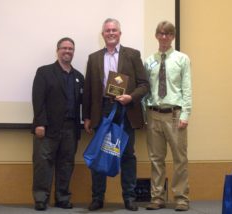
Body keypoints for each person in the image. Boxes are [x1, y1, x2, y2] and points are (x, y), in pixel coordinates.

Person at [82, 18, 149, 211]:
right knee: (99, 154)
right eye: (107, 30)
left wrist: (131, 97)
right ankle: (97, 198)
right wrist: (86, 116)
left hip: (126, 111)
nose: (111, 33)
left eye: (114, 30)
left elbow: (144, 85)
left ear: (120, 33)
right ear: (102, 34)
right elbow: (88, 90)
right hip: (102, 111)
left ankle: (129, 198)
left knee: (128, 155)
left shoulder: (133, 55)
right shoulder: (93, 58)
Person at [144, 21, 192, 211]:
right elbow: (146, 90)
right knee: (156, 159)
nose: (164, 37)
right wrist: (143, 115)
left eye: (168, 34)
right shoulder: (149, 61)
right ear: (156, 35)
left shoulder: (182, 59)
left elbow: (187, 89)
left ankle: (181, 198)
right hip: (153, 113)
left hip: (175, 114)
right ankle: (157, 198)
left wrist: (186, 114)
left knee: (180, 159)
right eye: (161, 33)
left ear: (173, 37)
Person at [31, 37, 84, 211]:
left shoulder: (78, 77)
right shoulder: (44, 72)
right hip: (47, 128)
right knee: (43, 163)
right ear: (57, 50)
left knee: (66, 163)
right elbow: (38, 100)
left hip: (70, 128)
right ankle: (41, 198)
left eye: (71, 49)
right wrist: (40, 123)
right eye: (64, 48)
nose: (67, 51)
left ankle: (62, 197)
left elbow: (84, 102)